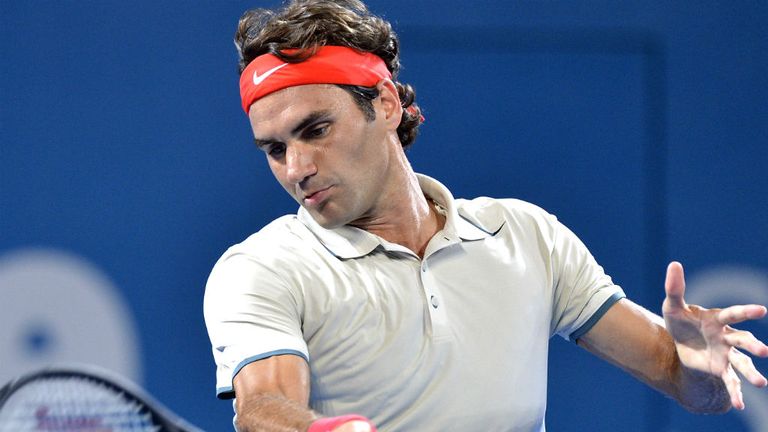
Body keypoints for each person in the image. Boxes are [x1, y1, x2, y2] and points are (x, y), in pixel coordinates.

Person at [203, 1, 768, 431]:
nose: (296, 167)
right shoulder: (260, 269)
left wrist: (698, 367)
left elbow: (692, 387)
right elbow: (265, 406)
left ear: (385, 102)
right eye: (274, 149)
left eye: (316, 130)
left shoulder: (527, 235)